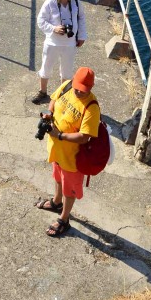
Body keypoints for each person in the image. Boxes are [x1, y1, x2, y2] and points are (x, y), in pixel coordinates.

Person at [34, 66, 100, 238]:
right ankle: (56, 202)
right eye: (77, 88)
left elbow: (84, 137)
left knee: (69, 190)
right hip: (57, 149)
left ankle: (64, 219)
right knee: (57, 176)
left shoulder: (92, 107)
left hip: (72, 158)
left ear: (91, 87)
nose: (79, 92)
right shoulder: (67, 86)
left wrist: (60, 135)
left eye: (83, 90)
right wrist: (49, 113)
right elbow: (54, 100)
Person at [32, 0, 86, 104]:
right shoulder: (50, 3)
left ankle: (63, 95)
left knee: (67, 71)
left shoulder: (76, 1)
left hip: (70, 43)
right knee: (46, 67)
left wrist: (82, 35)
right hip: (52, 42)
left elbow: (81, 17)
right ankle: (43, 92)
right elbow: (40, 20)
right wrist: (53, 28)